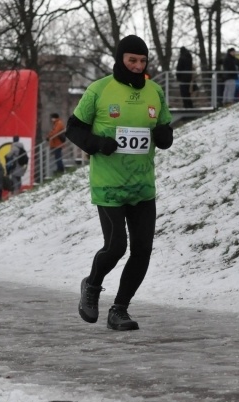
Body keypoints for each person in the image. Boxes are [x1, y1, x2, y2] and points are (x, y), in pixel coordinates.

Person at [66, 34, 174, 331]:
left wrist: (165, 136)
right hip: (109, 185)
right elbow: (73, 129)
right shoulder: (99, 90)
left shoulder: (154, 91)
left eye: (142, 61)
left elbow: (164, 128)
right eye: (132, 60)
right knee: (115, 247)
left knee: (142, 250)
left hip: (142, 186)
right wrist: (98, 143)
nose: (138, 66)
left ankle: (120, 310)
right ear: (120, 59)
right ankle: (92, 284)